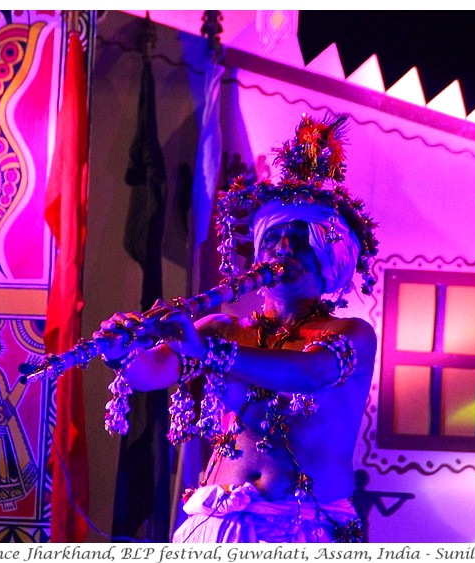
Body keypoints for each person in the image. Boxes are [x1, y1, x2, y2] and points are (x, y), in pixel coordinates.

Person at [97, 114, 379, 543]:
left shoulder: (352, 334)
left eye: (301, 240)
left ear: (331, 259)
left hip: (306, 527)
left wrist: (206, 352)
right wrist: (122, 351)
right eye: (274, 238)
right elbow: (149, 373)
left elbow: (308, 374)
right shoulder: (221, 329)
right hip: (216, 525)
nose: (284, 250)